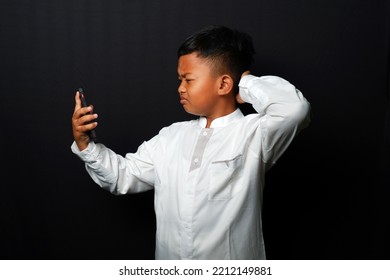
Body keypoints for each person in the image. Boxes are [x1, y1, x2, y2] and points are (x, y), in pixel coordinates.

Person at [71, 25, 310, 259]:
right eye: (179, 79)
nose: (180, 88)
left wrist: (246, 83)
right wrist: (85, 144)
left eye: (189, 80)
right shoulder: (170, 137)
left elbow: (295, 109)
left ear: (224, 84)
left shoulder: (253, 134)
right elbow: (123, 177)